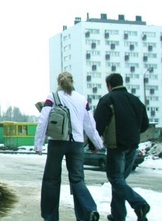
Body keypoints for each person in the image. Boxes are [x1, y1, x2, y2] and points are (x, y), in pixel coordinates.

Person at [34, 71, 103, 221]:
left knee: (51, 180)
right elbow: (90, 125)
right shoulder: (82, 99)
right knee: (78, 180)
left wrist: (38, 143)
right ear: (73, 82)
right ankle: (89, 211)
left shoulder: (52, 97)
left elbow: (43, 120)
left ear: (58, 82)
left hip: (57, 142)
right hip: (77, 144)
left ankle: (50, 217)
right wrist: (98, 144)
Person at [94, 73, 150, 221]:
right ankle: (118, 215)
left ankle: (140, 204)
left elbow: (98, 124)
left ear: (109, 86)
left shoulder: (108, 99)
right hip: (133, 146)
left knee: (115, 179)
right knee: (120, 181)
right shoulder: (135, 101)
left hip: (116, 146)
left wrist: (94, 144)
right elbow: (145, 124)